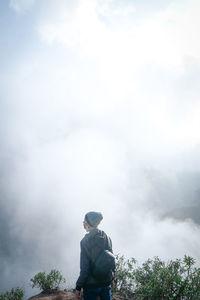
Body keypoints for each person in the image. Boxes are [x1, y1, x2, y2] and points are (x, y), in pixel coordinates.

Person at [75, 211, 114, 300]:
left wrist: (78, 287)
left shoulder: (85, 241)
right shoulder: (107, 237)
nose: (83, 223)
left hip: (90, 286)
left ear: (90, 223)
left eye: (84, 221)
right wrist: (111, 278)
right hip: (106, 283)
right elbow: (111, 260)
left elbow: (85, 268)